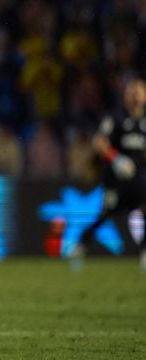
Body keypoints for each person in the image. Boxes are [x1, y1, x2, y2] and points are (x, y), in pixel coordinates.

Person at [70, 78, 146, 270]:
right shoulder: (116, 117)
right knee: (106, 214)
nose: (136, 94)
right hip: (116, 180)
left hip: (139, 178)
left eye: (139, 90)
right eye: (132, 90)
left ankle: (145, 252)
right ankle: (82, 243)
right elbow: (99, 142)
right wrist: (116, 159)